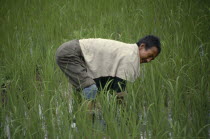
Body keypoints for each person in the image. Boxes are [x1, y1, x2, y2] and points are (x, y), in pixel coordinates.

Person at [55, 35, 161, 101]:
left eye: (152, 59)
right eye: (150, 55)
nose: (149, 60)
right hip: (70, 53)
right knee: (90, 89)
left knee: (91, 89)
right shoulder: (131, 56)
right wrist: (125, 116)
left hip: (72, 49)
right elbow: (120, 90)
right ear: (142, 47)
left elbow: (109, 85)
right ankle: (88, 123)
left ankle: (81, 117)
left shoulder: (127, 51)